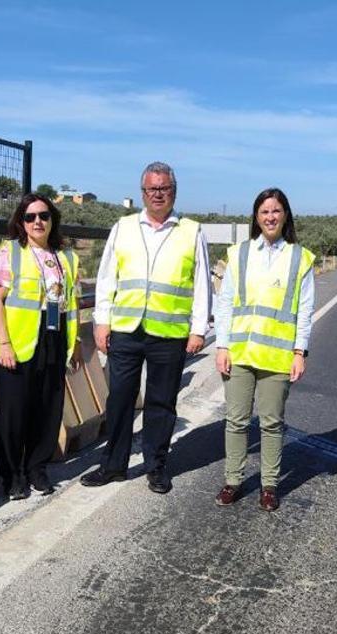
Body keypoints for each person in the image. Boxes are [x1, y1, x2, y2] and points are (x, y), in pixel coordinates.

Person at [80, 162, 210, 494]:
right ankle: (113, 466)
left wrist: (198, 330)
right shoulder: (123, 227)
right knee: (119, 399)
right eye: (151, 189)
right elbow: (108, 277)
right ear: (142, 193)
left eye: (163, 188)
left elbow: (201, 285)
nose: (157, 194)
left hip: (169, 333)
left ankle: (156, 466)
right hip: (125, 329)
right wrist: (101, 322)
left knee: (161, 402)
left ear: (174, 191)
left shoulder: (192, 231)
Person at [213, 188, 315, 512]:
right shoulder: (240, 254)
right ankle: (233, 480)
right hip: (240, 353)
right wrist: (222, 345)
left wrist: (300, 351)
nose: (270, 217)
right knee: (236, 420)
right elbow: (226, 301)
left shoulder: (300, 258)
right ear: (256, 218)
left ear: (285, 215)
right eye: (264, 211)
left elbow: (305, 309)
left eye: (276, 210)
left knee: (271, 423)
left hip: (277, 357)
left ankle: (269, 485)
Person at [0, 193, 81, 500]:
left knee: (47, 407)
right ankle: (12, 475)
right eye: (30, 217)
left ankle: (37, 469)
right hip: (18, 341)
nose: (37, 222)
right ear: (21, 221)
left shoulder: (65, 257)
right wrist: (4, 343)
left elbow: (70, 302)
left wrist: (75, 341)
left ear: (52, 218)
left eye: (43, 215)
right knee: (13, 412)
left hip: (54, 338)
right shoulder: (11, 252)